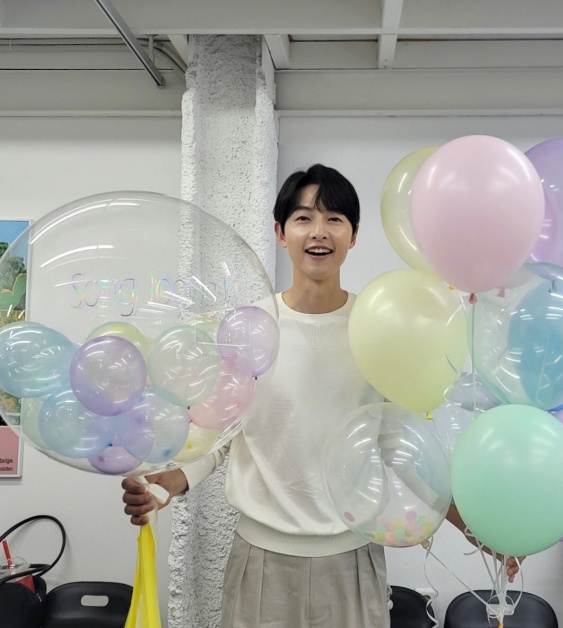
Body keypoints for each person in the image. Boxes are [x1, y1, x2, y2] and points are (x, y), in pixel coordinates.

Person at [122, 164, 520, 628]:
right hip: (261, 561)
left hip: (352, 558)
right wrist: (174, 479)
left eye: (334, 219)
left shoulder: (378, 328)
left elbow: (398, 443)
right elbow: (223, 432)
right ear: (280, 232)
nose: (319, 232)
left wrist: (472, 527)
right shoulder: (248, 329)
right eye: (303, 218)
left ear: (354, 236)